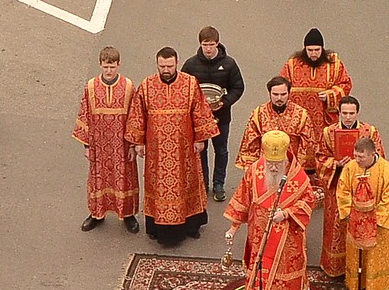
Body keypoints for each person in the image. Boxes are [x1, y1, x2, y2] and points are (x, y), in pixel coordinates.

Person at [124, 47, 219, 245]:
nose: (166, 69)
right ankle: (157, 229)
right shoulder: (147, 85)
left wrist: (200, 138)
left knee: (188, 185)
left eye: (169, 65)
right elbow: (137, 114)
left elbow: (200, 111)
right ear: (157, 64)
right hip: (157, 152)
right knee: (159, 189)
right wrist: (138, 142)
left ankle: (191, 225)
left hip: (184, 150)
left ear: (177, 63)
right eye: (162, 66)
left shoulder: (190, 84)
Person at [224, 129, 316, 290]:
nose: (273, 168)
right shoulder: (254, 171)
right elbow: (243, 199)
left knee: (284, 267)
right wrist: (233, 229)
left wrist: (287, 213)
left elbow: (308, 200)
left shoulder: (297, 176)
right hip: (259, 233)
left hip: (287, 236)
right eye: (270, 164)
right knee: (260, 266)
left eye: (277, 164)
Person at [73, 46, 140, 233]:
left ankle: (128, 215)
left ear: (118, 65)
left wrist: (133, 144)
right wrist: (87, 145)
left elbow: (135, 117)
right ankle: (97, 213)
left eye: (112, 67)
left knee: (125, 179)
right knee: (98, 179)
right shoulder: (91, 86)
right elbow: (84, 114)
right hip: (99, 145)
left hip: (122, 145)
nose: (109, 71)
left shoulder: (128, 86)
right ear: (100, 65)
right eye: (105, 67)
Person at [317, 95, 384, 278]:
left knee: (358, 226)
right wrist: (335, 164)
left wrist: (362, 162)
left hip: (361, 186)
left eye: (351, 113)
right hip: (338, 185)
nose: (347, 117)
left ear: (357, 113)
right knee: (336, 225)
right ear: (339, 113)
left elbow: (380, 158)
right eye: (344, 113)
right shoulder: (328, 132)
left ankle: (357, 268)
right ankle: (335, 267)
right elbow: (321, 158)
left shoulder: (370, 132)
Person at [336, 136, 389, 290]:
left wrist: (373, 222)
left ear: (373, 153)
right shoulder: (351, 168)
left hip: (378, 230)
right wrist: (352, 215)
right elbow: (342, 191)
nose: (357, 160)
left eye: (361, 157)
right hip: (356, 226)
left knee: (377, 262)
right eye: (356, 156)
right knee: (358, 260)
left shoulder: (387, 172)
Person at [180, 26, 244, 203]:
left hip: (221, 117)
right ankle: (203, 183)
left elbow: (238, 87)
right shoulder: (191, 64)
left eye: (211, 44)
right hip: (198, 119)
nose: (208, 49)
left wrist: (225, 102)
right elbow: (183, 89)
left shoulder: (229, 64)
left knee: (221, 150)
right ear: (200, 44)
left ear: (217, 43)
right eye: (205, 44)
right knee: (201, 150)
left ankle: (218, 184)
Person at [279, 29, 351, 152]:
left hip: (322, 118)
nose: (313, 53)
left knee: (321, 149)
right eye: (310, 50)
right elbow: (281, 84)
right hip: (298, 118)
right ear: (305, 49)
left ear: (322, 49)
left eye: (317, 50)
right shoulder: (292, 64)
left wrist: (330, 95)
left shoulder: (334, 65)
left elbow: (345, 84)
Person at [235, 75, 317, 170]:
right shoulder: (259, 113)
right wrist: (252, 169)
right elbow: (250, 142)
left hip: (290, 167)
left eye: (283, 94)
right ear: (269, 93)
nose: (279, 98)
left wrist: (298, 168)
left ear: (289, 93)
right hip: (265, 167)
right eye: (275, 94)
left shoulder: (301, 114)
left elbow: (308, 144)